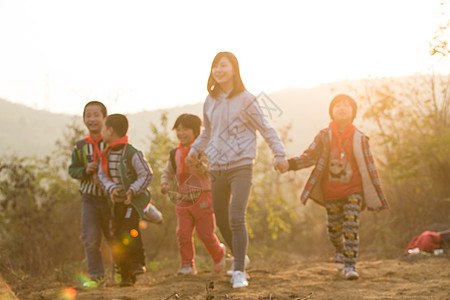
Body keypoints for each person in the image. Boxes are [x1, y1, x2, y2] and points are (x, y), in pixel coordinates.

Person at [186, 52, 287, 288]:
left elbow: (265, 128)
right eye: (215, 67)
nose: (218, 70)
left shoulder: (246, 99)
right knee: (220, 218)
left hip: (241, 165)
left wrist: (279, 153)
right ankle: (241, 255)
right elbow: (207, 132)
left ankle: (239, 269)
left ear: (234, 70)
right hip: (217, 166)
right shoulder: (210, 101)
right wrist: (195, 150)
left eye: (223, 66)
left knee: (235, 216)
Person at [278, 94, 389, 280]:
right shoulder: (324, 136)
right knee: (333, 230)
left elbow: (370, 169)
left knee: (351, 226)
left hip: (354, 191)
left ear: (353, 112)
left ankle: (350, 266)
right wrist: (289, 164)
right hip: (331, 192)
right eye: (338, 105)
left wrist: (374, 196)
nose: (342, 108)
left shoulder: (360, 138)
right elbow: (309, 157)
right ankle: (339, 249)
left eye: (347, 105)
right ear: (332, 112)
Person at [161, 113, 226, 275]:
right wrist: (165, 182)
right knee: (182, 234)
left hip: (203, 197)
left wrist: (197, 164)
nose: (181, 133)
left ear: (196, 131)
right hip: (183, 199)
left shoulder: (204, 151)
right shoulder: (174, 153)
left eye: (186, 129)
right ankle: (187, 265)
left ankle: (219, 254)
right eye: (179, 129)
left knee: (205, 234)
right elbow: (168, 171)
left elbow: (209, 172)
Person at [97, 114, 153, 287]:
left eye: (103, 128)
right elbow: (102, 176)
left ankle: (138, 262)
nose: (102, 132)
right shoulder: (105, 155)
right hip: (117, 204)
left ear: (110, 131)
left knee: (130, 230)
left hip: (133, 202)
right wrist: (112, 189)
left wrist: (132, 190)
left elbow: (146, 174)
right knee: (117, 236)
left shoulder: (132, 153)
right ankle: (125, 274)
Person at [68, 101, 111, 288]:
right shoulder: (80, 146)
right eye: (88, 115)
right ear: (84, 119)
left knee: (115, 237)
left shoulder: (112, 142)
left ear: (104, 118)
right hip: (89, 199)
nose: (92, 119)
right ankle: (96, 276)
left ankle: (123, 274)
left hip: (110, 199)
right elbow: (72, 170)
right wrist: (85, 170)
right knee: (91, 239)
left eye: (96, 115)